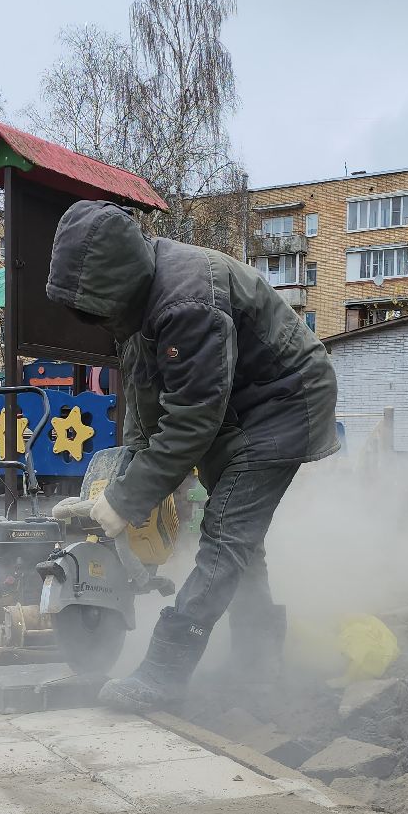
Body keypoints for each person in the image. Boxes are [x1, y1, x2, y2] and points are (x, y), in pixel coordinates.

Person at [46, 200, 339, 711]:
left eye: (93, 307)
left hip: (285, 402)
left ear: (115, 282)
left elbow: (192, 418)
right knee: (240, 540)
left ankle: (165, 670)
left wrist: (128, 500)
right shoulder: (136, 302)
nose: (91, 319)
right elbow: (144, 402)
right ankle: (259, 660)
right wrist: (118, 484)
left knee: (225, 535)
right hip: (241, 406)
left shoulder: (185, 305)